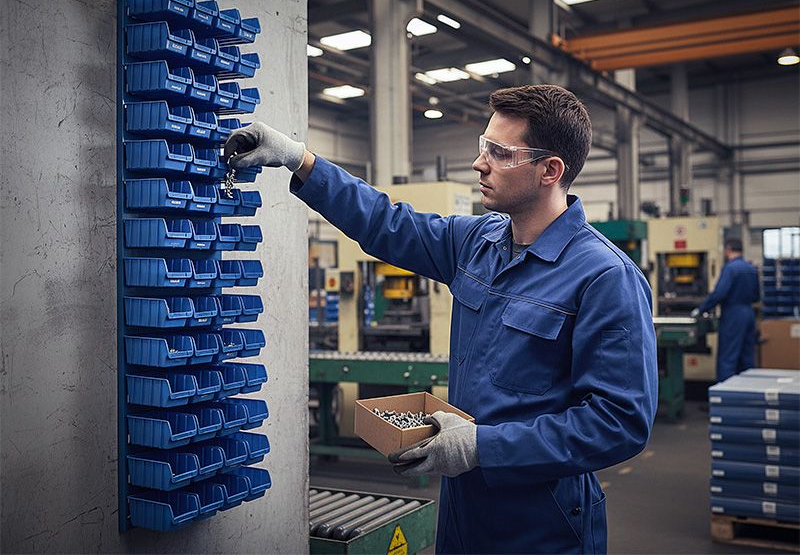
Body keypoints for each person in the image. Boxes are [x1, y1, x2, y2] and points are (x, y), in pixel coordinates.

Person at [225, 85, 658, 554]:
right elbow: (385, 223)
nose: (480, 163)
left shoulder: (604, 278)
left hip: (540, 520)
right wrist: (297, 158)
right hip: (463, 504)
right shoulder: (477, 243)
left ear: (550, 170)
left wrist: (481, 447)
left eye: (500, 152)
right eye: (482, 146)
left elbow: (619, 422)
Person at [692, 238, 760, 381]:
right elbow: (756, 296)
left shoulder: (730, 268)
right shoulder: (751, 268)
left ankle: (723, 397)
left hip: (733, 315)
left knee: (728, 357)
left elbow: (719, 293)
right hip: (748, 314)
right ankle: (747, 395)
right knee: (747, 357)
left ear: (728, 250)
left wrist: (702, 309)